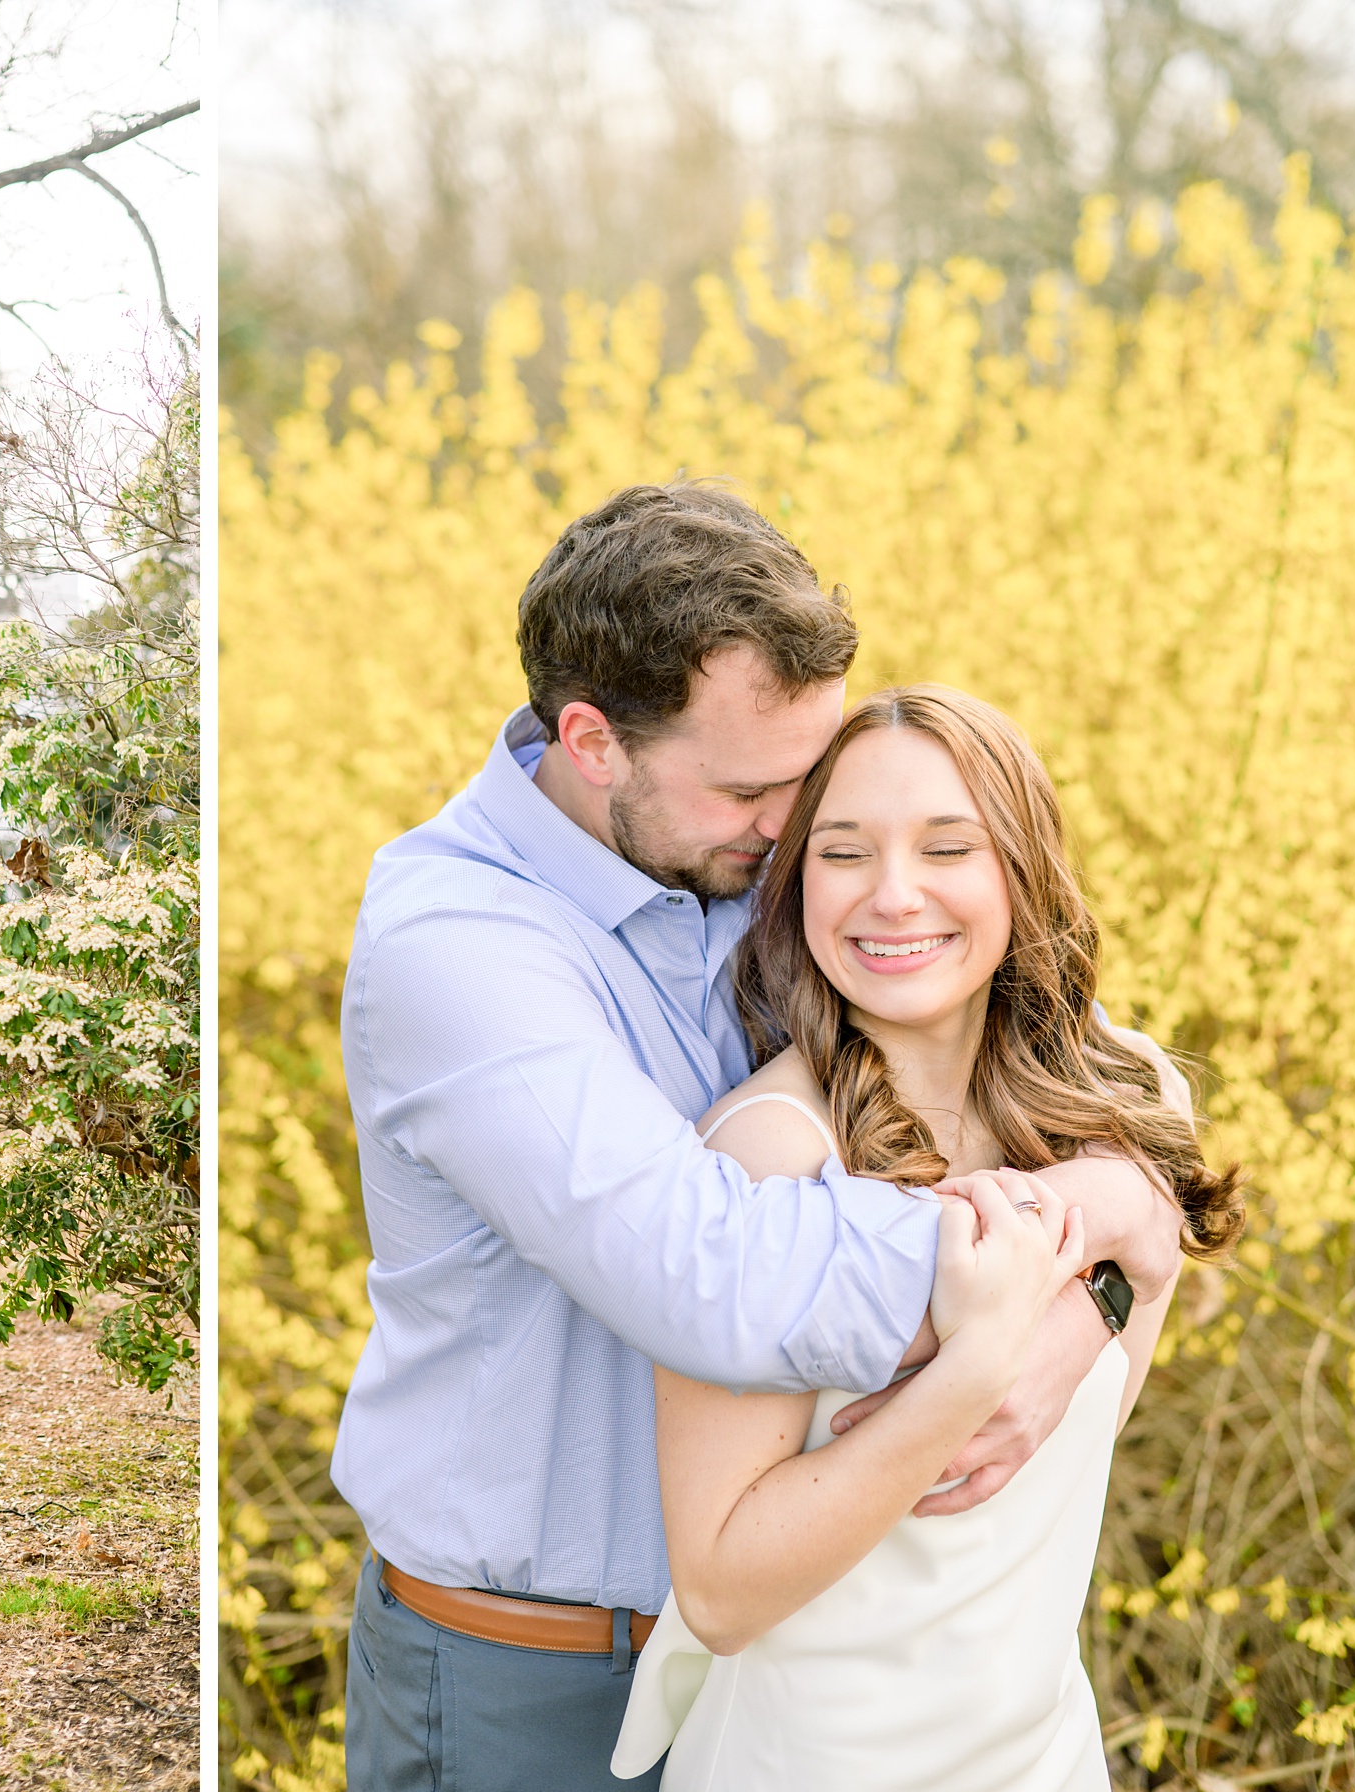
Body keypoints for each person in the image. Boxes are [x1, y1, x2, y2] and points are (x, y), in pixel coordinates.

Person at [335, 482, 1191, 1790]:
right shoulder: (458, 947)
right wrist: (1057, 1264)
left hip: (778, 1680)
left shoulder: (749, 868)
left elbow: (1069, 1078)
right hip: (534, 1682)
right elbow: (713, 1270)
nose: (796, 828)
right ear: (593, 741)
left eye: (811, 778)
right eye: (756, 789)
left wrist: (1122, 1216)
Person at [611, 687, 1242, 1788]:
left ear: (1021, 866)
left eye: (948, 846)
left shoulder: (1135, 1107)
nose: (892, 897)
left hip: (1040, 1751)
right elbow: (717, 1591)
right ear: (797, 884)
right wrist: (982, 1361)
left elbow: (1072, 1451)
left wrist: (1102, 1237)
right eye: (843, 854)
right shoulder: (765, 1156)